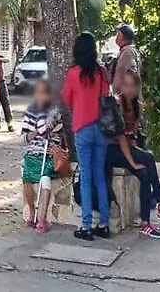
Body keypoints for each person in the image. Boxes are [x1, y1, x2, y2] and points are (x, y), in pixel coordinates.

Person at [105, 71, 160, 238]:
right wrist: (132, 161)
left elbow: (131, 137)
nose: (129, 89)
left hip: (125, 149)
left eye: (133, 85)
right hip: (110, 150)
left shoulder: (138, 106)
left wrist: (134, 153)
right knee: (148, 157)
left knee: (145, 174)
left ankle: (145, 223)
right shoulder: (117, 104)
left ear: (138, 86)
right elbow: (121, 137)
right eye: (126, 85)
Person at [62, 32, 111, 241]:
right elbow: (106, 97)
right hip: (101, 129)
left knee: (85, 177)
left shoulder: (74, 73)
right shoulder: (101, 73)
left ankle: (86, 226)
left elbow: (67, 98)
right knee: (100, 176)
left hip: (82, 128)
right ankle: (104, 224)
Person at [19, 79, 63, 233]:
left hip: (49, 153)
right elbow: (23, 138)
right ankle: (32, 213)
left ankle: (42, 218)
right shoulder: (30, 111)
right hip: (33, 151)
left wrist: (49, 132)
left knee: (45, 179)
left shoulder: (54, 111)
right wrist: (36, 131)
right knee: (27, 178)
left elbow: (58, 133)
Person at [0, 57, 15, 132]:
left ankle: (10, 123)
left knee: (5, 102)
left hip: (1, 81)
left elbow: (7, 60)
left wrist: (0, 60)